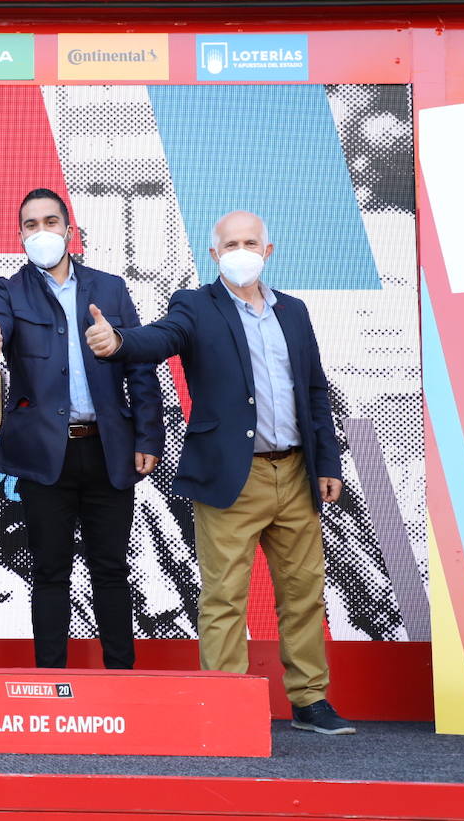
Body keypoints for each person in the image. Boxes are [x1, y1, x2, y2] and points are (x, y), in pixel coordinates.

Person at [84, 210, 354, 735]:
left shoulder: (294, 313)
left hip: (296, 473)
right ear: (214, 254)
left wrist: (327, 462)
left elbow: (314, 391)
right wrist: (118, 343)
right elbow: (159, 339)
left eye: (251, 241)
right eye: (230, 243)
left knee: (304, 592)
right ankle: (227, 702)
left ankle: (309, 699)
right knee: (224, 595)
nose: (241, 250)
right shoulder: (194, 305)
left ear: (268, 250)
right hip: (232, 477)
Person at [0, 188, 162, 670]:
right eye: (30, 225)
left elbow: (140, 365)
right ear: (20, 236)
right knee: (50, 573)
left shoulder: (110, 288)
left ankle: (123, 678)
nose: (42, 232)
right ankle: (51, 682)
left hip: (108, 450)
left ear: (69, 230)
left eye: (50, 222)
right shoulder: (8, 290)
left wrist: (147, 438)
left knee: (112, 571)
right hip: (46, 457)